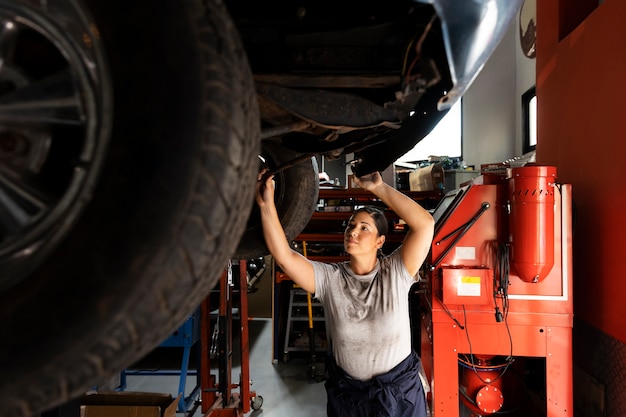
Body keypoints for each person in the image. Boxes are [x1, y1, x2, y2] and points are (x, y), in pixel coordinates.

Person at [256, 170, 434, 417]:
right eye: (351, 226)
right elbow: (285, 257)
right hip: (350, 398)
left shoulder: (396, 272)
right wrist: (266, 203)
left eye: (364, 228)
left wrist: (379, 188)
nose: (353, 232)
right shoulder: (331, 279)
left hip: (399, 396)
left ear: (380, 241)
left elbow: (425, 224)